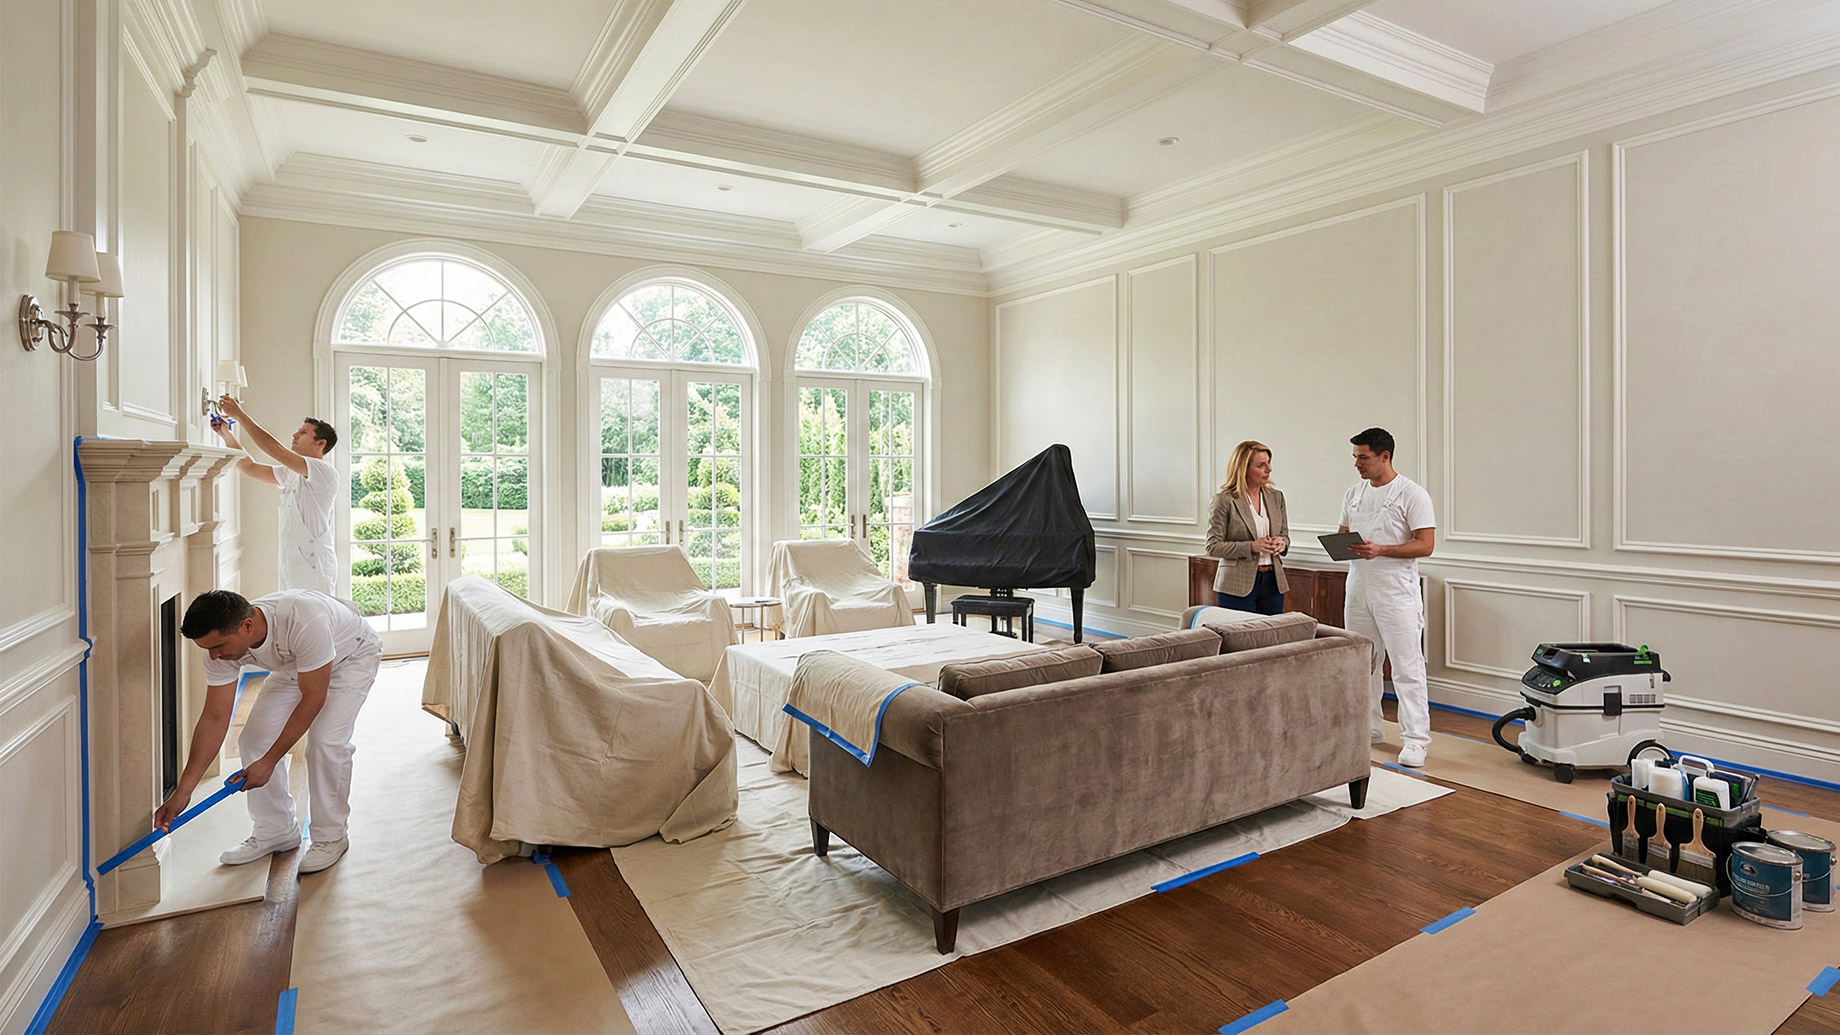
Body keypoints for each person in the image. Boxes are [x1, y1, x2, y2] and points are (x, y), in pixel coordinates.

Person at [156, 589, 380, 874]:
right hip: (295, 665)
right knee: (253, 740)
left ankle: (331, 836)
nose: (214, 656)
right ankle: (276, 829)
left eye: (219, 646)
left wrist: (270, 761)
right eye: (207, 649)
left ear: (246, 626)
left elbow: (313, 698)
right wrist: (183, 792)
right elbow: (214, 718)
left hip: (352, 656)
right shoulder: (220, 652)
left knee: (325, 742)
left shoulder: (303, 619)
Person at [1337, 427, 1436, 768]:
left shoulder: (1412, 494)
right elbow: (1342, 533)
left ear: (1384, 456)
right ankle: (1369, 728)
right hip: (1358, 589)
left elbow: (1425, 544)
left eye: (1362, 457)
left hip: (1397, 593)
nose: (1357, 464)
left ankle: (1415, 740)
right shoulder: (1353, 493)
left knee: (1407, 666)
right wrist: (1343, 543)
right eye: (1355, 458)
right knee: (1364, 664)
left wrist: (1382, 550)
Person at [212, 397, 340, 595]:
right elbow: (250, 467)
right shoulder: (292, 472)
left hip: (314, 567)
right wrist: (226, 434)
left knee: (312, 621)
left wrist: (239, 415)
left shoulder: (323, 471)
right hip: (291, 563)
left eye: (303, 432)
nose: (295, 434)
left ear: (320, 443)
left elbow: (274, 449)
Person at [1205, 440, 1290, 614]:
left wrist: (1282, 543)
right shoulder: (1224, 500)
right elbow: (1212, 546)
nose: (1269, 469)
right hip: (1236, 585)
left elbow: (1284, 535)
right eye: (1261, 465)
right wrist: (1251, 547)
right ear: (1243, 469)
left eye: (1268, 463)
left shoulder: (1277, 497)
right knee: (1240, 639)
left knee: (1272, 638)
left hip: (1273, 582)